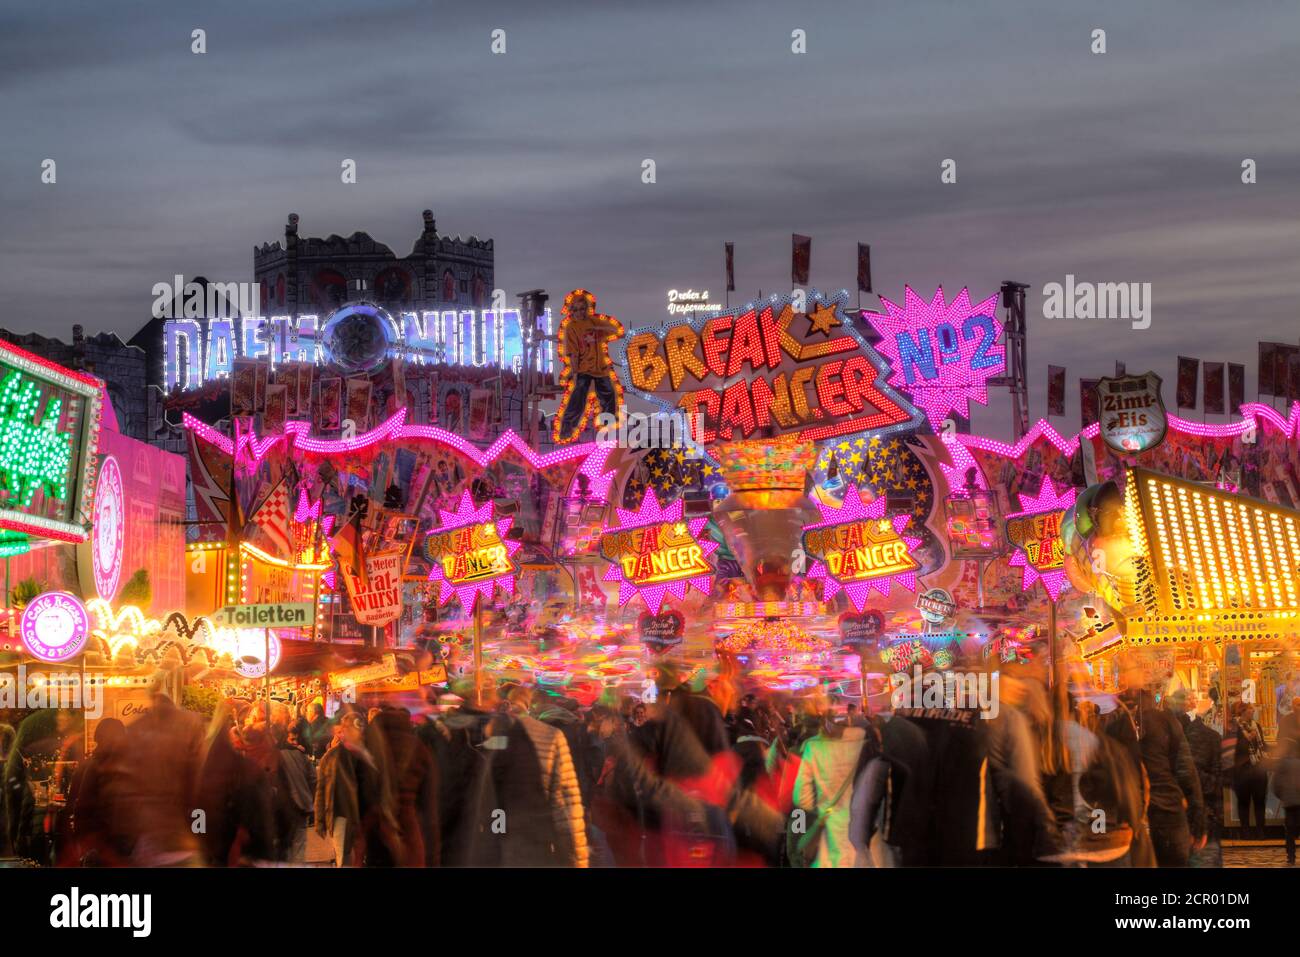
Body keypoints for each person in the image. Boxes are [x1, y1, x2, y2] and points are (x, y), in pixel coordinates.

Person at [1103, 659, 1205, 866]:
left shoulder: (1112, 724)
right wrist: (1197, 821)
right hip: (1165, 813)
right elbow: (1186, 772)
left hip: (1132, 817)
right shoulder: (1163, 721)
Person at [793, 712, 866, 867]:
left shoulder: (813, 747)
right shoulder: (866, 744)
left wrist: (821, 808)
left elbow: (801, 798)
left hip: (833, 834)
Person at [553, 289, 624, 444]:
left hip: (600, 368)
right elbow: (572, 352)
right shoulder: (571, 326)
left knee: (609, 395)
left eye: (582, 309)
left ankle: (608, 426)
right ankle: (567, 428)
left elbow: (617, 330)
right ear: (572, 311)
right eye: (576, 309)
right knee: (578, 397)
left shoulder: (594, 321)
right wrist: (575, 371)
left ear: (587, 308)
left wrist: (599, 329)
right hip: (583, 368)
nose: (579, 312)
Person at [1171, 692, 1223, 866]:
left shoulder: (1172, 740)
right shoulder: (1211, 737)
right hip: (1206, 814)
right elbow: (1216, 780)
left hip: (1183, 814)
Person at [1233, 704, 1269, 839]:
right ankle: (1245, 832)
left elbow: (1262, 745)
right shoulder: (1234, 727)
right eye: (1250, 709)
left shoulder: (1256, 725)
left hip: (1258, 768)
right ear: (1242, 711)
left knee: (1260, 801)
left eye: (1253, 709)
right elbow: (1235, 749)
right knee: (1244, 802)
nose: (1253, 711)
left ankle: (1260, 831)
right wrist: (1248, 739)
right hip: (1242, 770)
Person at [1270, 733, 1300, 865]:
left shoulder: (1281, 765)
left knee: (1289, 830)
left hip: (1289, 802)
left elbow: (1275, 784)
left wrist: (1281, 795)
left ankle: (1291, 857)